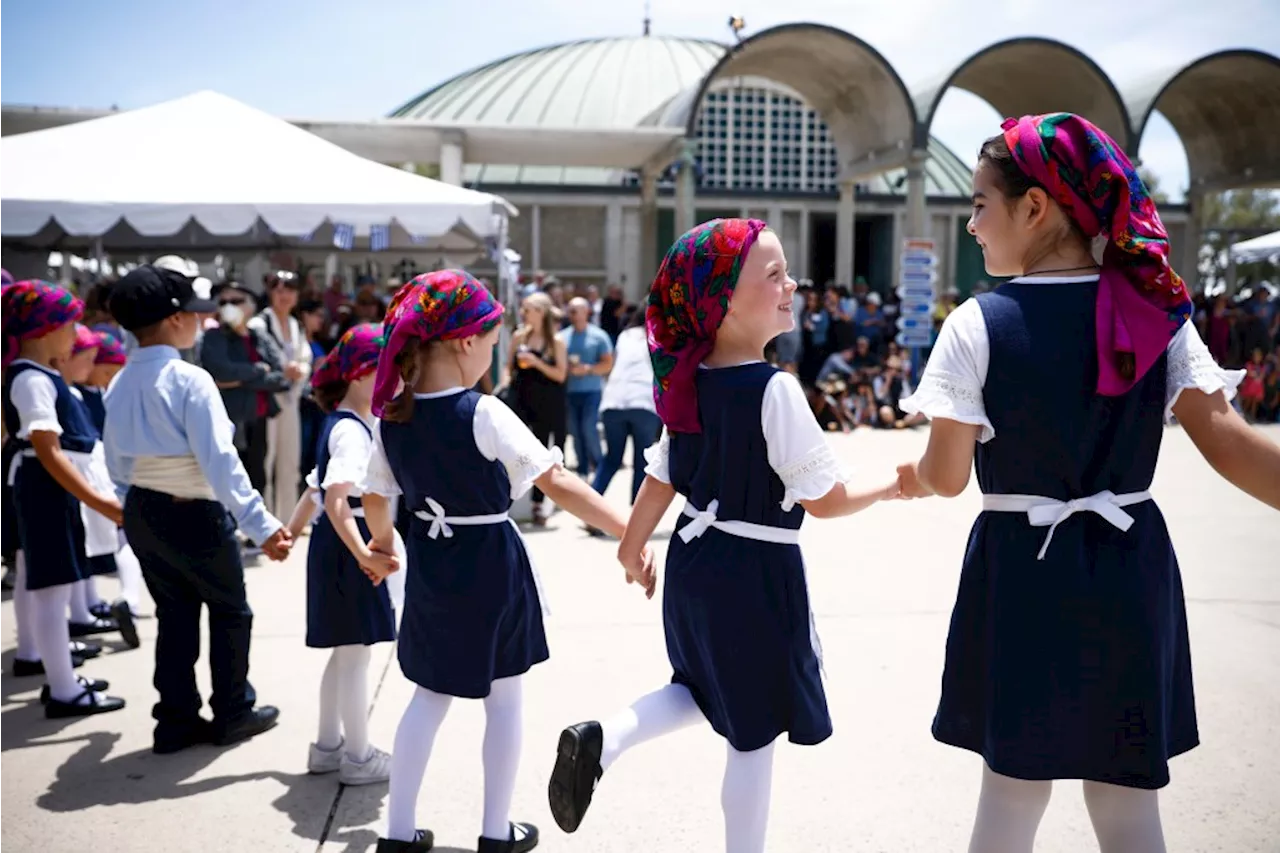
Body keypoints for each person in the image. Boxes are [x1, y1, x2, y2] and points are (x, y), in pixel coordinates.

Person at [895, 113, 1280, 853]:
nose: (972, 224)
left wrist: (913, 476)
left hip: (1021, 576)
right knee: (1128, 801)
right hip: (1128, 568)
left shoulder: (976, 323)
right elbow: (1229, 444)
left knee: (1009, 799)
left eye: (979, 204)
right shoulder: (1155, 313)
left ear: (1034, 206)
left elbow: (945, 476)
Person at [547, 219, 900, 853]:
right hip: (756, 573)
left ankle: (607, 737)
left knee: (697, 686)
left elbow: (660, 476)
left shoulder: (691, 384)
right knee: (753, 733)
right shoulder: (775, 390)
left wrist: (633, 549)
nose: (792, 283)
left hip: (695, 560)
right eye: (774, 275)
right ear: (723, 303)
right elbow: (825, 500)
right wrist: (896, 486)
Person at [357, 271, 655, 853]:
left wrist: (384, 542)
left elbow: (374, 494)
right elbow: (558, 480)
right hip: (491, 566)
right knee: (505, 698)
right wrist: (630, 529)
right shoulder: (483, 412)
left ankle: (397, 833)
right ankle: (496, 831)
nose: (493, 352)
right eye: (492, 341)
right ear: (466, 342)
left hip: (432, 565)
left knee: (428, 696)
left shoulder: (392, 418)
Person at [104, 264, 292, 754]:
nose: (201, 321)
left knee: (175, 615)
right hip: (195, 513)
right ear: (173, 321)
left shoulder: (120, 383)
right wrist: (262, 525)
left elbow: (117, 462)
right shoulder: (190, 379)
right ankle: (232, 710)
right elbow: (220, 463)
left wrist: (132, 505)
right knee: (230, 611)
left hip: (145, 510)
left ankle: (176, 719)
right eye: (193, 313)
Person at [2, 281, 126, 718]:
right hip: (44, 491)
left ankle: (59, 675)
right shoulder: (32, 380)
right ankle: (63, 690)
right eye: (69, 325)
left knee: (49, 587)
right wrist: (104, 504)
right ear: (42, 329)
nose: (76, 336)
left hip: (47, 490)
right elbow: (48, 452)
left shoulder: (39, 375)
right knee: (52, 592)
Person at [282, 323, 398, 786]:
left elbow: (315, 489)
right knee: (356, 656)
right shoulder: (353, 431)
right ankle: (358, 755)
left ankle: (328, 747)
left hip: (337, 546)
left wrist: (289, 533)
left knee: (345, 652)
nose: (395, 382)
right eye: (387, 372)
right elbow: (333, 499)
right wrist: (366, 556)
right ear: (360, 374)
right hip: (351, 545)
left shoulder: (342, 423)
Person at [59, 326, 140, 645]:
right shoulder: (77, 395)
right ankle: (125, 603)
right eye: (105, 370)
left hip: (101, 476)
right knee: (117, 541)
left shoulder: (91, 393)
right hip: (94, 479)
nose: (108, 379)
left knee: (99, 546)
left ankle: (91, 606)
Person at [200, 281, 290, 525]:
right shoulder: (214, 337)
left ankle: (256, 527)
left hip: (259, 416)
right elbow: (220, 370)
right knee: (228, 473)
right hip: (229, 418)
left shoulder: (259, 335)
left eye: (236, 300)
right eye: (223, 302)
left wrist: (241, 378)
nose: (229, 306)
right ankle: (230, 525)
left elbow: (281, 377)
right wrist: (259, 370)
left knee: (258, 472)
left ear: (250, 306)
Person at [252, 270, 313, 524]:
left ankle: (287, 520)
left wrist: (301, 370)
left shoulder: (296, 325)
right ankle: (263, 521)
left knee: (290, 462)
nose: (284, 295)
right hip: (268, 401)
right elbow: (259, 357)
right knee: (265, 462)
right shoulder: (259, 323)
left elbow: (305, 358)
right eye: (278, 290)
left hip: (291, 400)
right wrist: (284, 370)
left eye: (289, 290)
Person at [507, 292, 568, 527]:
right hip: (522, 398)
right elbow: (508, 366)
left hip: (547, 402)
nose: (524, 314)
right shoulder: (518, 336)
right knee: (518, 451)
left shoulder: (557, 342)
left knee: (543, 452)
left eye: (528, 309)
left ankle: (539, 504)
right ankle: (516, 500)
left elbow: (560, 374)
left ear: (541, 312)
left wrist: (537, 363)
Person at [590, 307, 660, 505]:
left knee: (611, 458)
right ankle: (636, 521)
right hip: (643, 402)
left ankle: (591, 510)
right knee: (641, 461)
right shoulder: (662, 335)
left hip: (613, 400)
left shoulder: (626, 335)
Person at [558, 297, 613, 477]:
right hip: (569, 391)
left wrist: (587, 369)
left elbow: (608, 364)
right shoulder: (562, 337)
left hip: (591, 391)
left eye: (575, 310)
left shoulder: (599, 336)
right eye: (570, 311)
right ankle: (582, 468)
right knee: (574, 430)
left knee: (589, 428)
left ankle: (598, 464)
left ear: (586, 312)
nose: (572, 314)